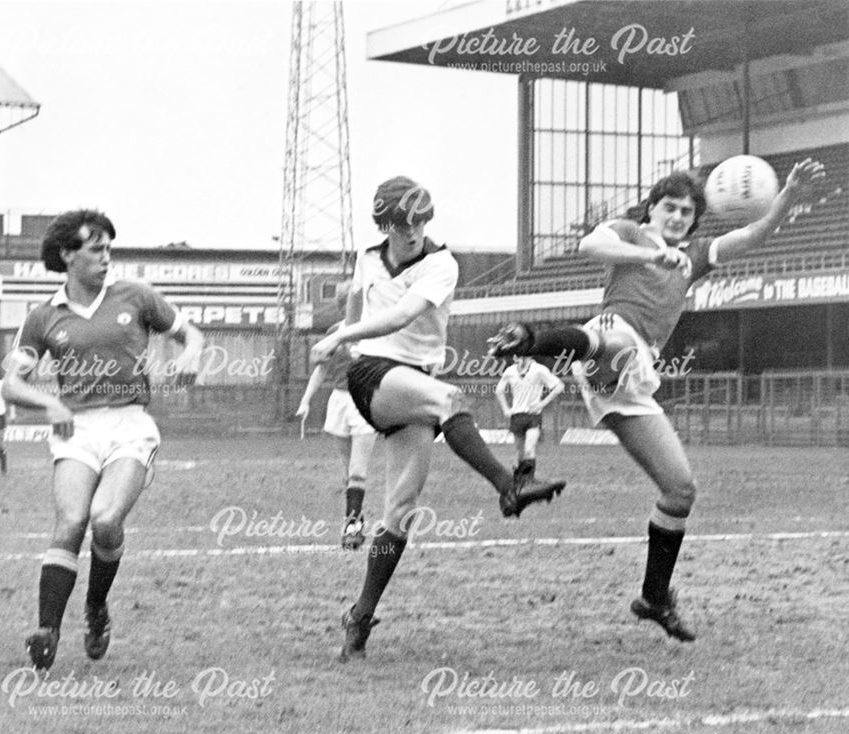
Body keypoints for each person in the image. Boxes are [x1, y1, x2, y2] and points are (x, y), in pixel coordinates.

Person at [488, 158, 826, 642]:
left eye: (687, 212)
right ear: (651, 209)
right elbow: (591, 243)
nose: (678, 217)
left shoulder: (694, 255)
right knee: (612, 340)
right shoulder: (632, 233)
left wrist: (788, 195)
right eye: (670, 207)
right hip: (609, 342)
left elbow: (754, 235)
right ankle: (529, 339)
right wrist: (649, 255)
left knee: (680, 490)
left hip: (635, 377)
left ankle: (654, 597)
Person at [309, 177, 565, 662]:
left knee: (400, 511)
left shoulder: (442, 264)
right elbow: (357, 312)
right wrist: (342, 338)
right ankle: (508, 488)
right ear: (384, 225)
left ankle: (359, 618)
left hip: (414, 386)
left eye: (422, 220)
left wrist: (339, 336)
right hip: (372, 375)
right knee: (449, 399)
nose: (414, 231)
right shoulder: (367, 258)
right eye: (403, 224)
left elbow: (403, 315)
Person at [1, 209, 204, 671]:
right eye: (96, 249)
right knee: (71, 520)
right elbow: (11, 384)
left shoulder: (137, 296)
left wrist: (190, 353)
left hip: (131, 425)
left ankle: (95, 606)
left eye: (109, 248)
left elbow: (191, 334)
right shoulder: (43, 316)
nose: (106, 257)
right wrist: (49, 404)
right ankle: (46, 630)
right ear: (67, 255)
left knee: (106, 520)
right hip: (78, 429)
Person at [297, 316, 379, 550]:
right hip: (340, 401)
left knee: (357, 471)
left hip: (365, 400)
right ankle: (356, 517)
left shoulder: (378, 326)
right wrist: (305, 401)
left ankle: (351, 529)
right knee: (348, 472)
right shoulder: (335, 331)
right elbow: (321, 368)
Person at [493, 355, 565, 483]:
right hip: (517, 416)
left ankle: (529, 480)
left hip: (533, 416)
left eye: (519, 353)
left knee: (529, 449)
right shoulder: (510, 371)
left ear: (528, 355)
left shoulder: (538, 370)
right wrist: (505, 409)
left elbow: (559, 386)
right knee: (519, 452)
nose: (515, 356)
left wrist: (542, 403)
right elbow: (499, 390)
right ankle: (520, 479)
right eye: (514, 353)